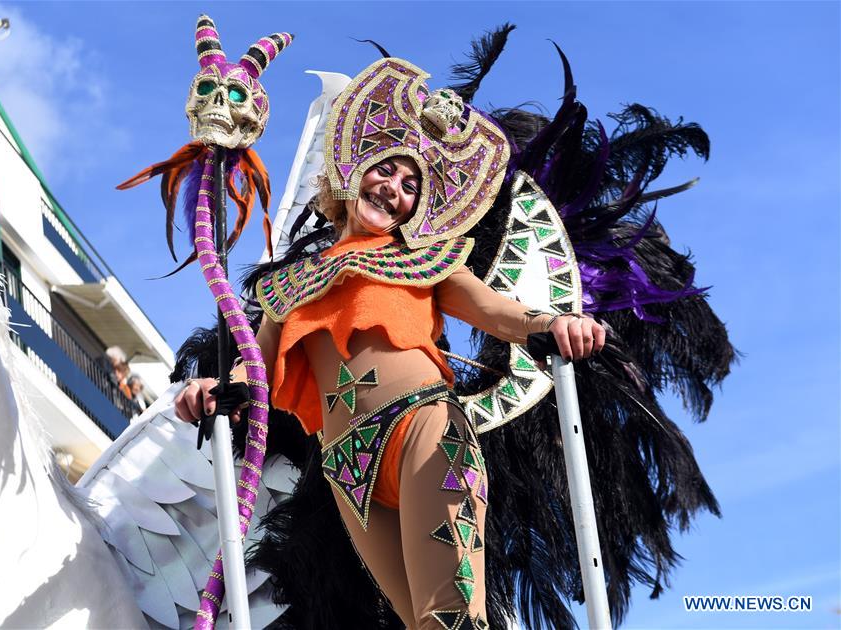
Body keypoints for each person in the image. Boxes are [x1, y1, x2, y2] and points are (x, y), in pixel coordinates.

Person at [175, 57, 605, 629]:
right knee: (417, 623)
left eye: (412, 187)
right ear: (355, 169)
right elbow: (251, 370)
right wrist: (210, 391)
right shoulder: (286, 284)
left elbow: (494, 311)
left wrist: (551, 325)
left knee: (450, 616)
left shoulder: (427, 260)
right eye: (387, 171)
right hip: (347, 465)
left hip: (426, 430)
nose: (395, 190)